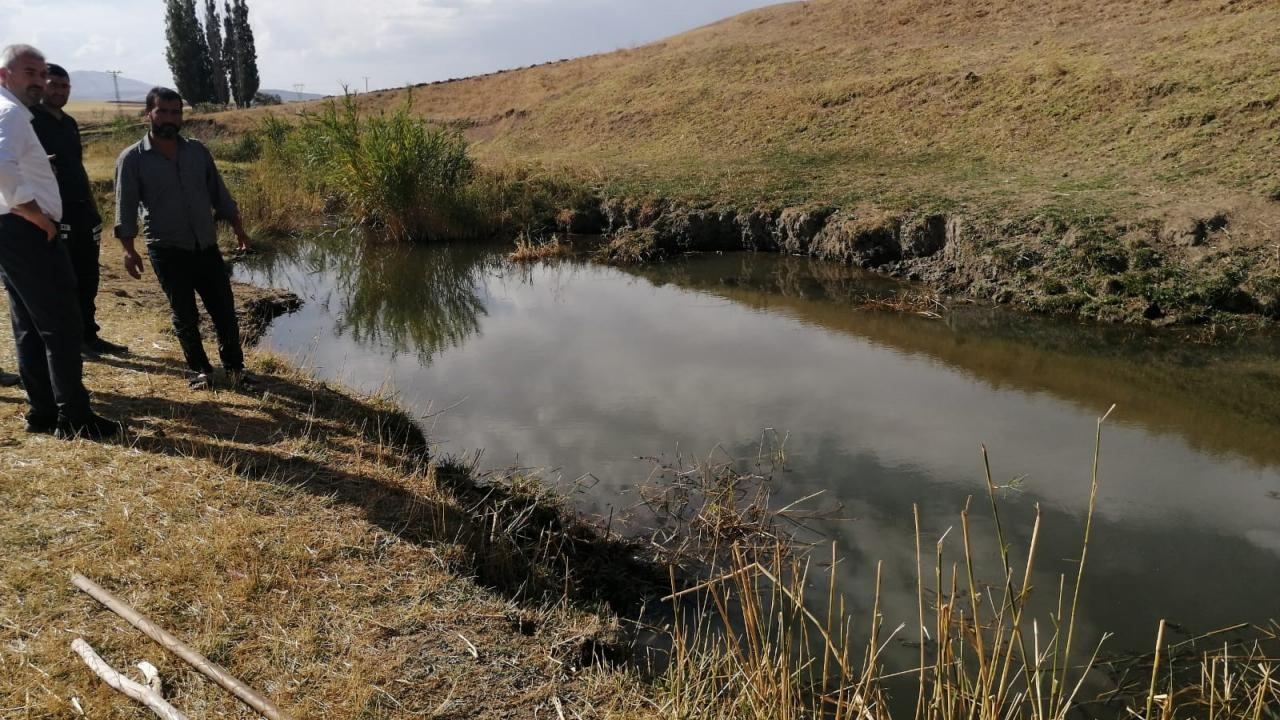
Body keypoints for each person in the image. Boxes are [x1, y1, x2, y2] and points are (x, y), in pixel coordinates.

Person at [0, 44, 121, 438]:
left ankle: (43, 413)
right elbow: (1, 165)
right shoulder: (12, 113)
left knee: (29, 325)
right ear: (5, 75)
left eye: (40, 73)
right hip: (26, 230)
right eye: (29, 72)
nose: (37, 81)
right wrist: (33, 211)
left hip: (12, 231)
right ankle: (75, 418)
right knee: (62, 324)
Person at [115, 86, 254, 391]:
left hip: (205, 245)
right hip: (167, 249)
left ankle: (235, 369)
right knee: (185, 314)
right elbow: (125, 207)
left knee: (223, 310)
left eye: (175, 112)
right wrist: (128, 249)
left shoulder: (197, 151)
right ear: (149, 113)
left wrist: (239, 229)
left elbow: (220, 194)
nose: (169, 117)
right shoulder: (133, 159)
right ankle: (202, 371)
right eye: (162, 111)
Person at [31, 63, 129, 358]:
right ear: (42, 86)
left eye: (65, 86)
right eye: (54, 85)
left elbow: (77, 167)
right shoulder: (31, 121)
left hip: (82, 211)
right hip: (54, 213)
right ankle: (71, 342)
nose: (60, 91)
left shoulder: (69, 123)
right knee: (65, 279)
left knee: (88, 277)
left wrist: (93, 206)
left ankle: (89, 335)